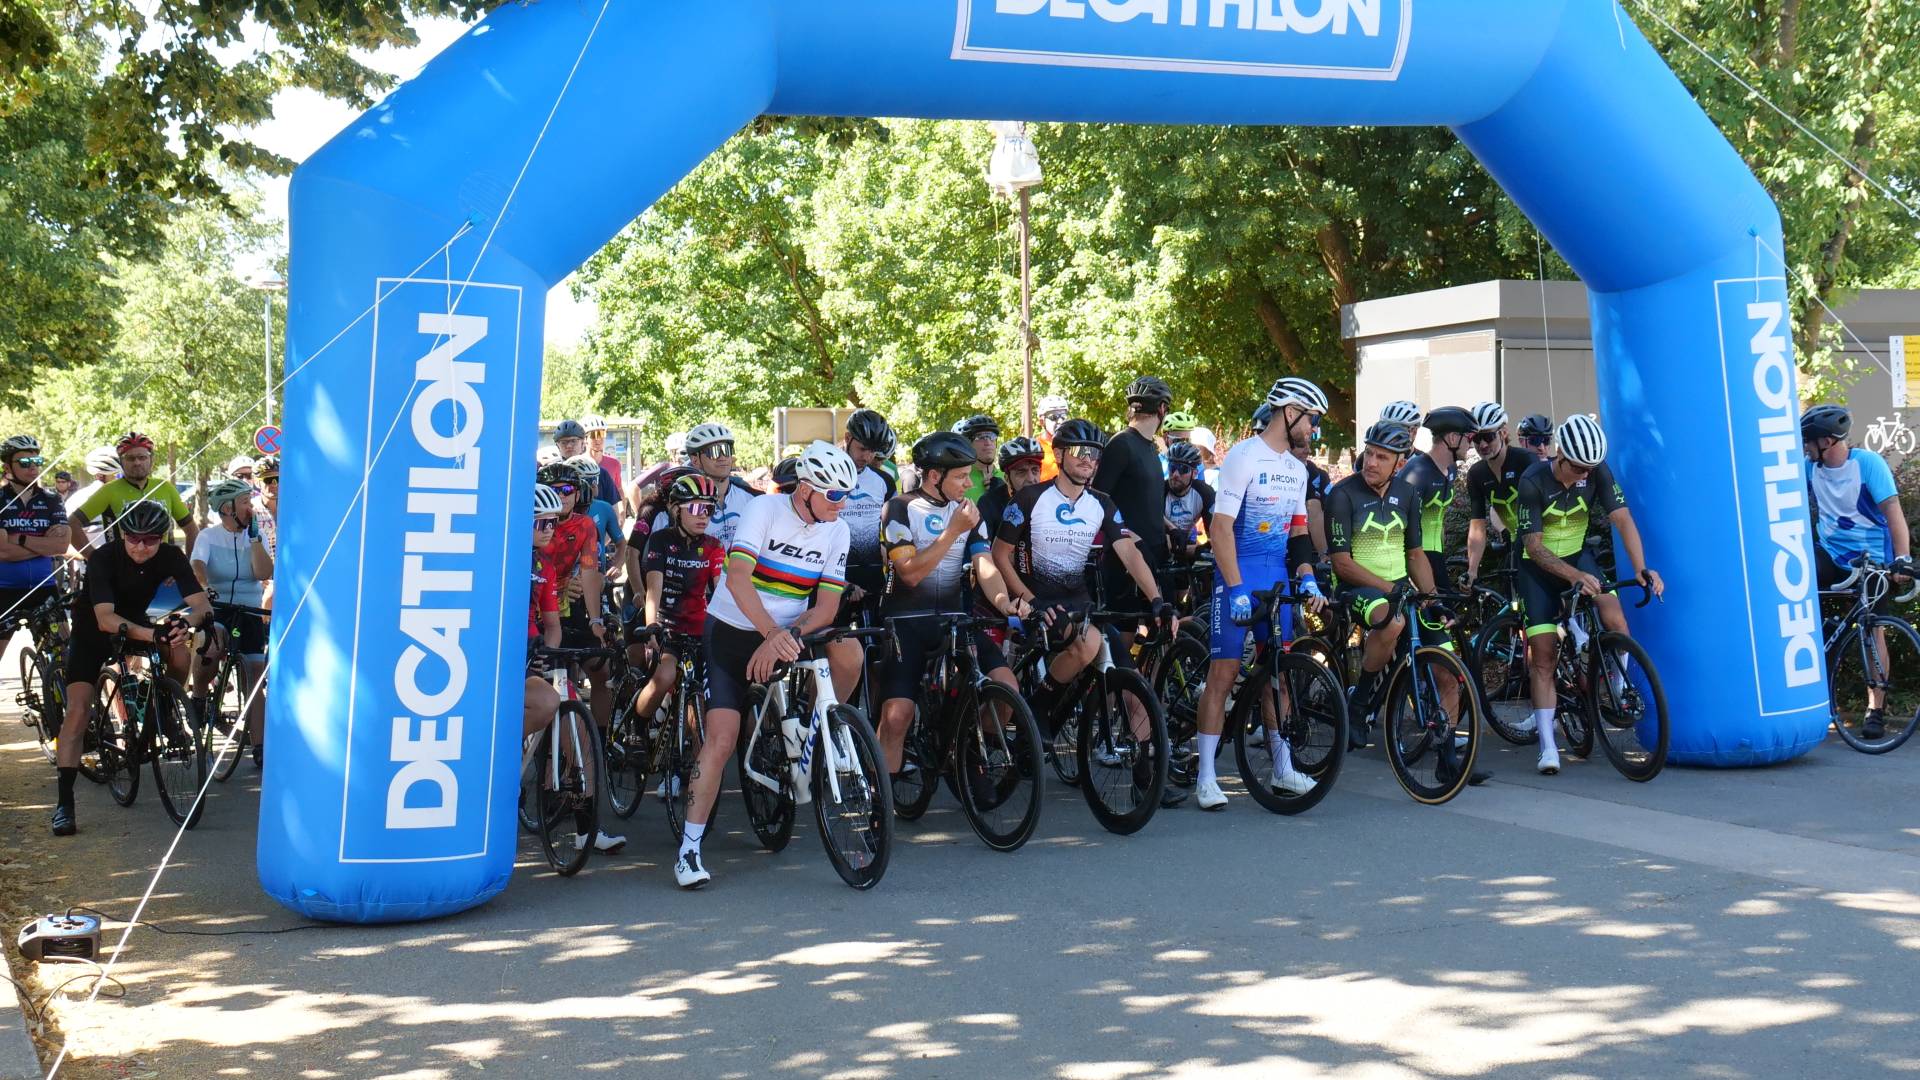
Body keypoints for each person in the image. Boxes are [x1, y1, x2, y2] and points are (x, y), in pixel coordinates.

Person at [678, 441, 856, 889]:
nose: (842, 504)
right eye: (835, 495)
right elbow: (738, 579)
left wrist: (785, 638)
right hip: (733, 629)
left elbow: (827, 607)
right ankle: (689, 850)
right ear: (806, 490)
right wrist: (770, 635)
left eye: (848, 495)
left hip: (787, 632)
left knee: (849, 652)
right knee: (722, 738)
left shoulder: (838, 529)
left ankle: (823, 732)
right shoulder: (765, 509)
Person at [991, 418, 1181, 808]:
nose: (1088, 460)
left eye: (1095, 455)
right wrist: (1030, 600)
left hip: (1081, 606)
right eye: (1080, 452)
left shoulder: (1102, 504)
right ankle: (1040, 710)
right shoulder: (1030, 499)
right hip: (1037, 606)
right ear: (1059, 454)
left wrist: (1157, 600)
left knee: (1131, 683)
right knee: (1085, 643)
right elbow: (999, 555)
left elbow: (1129, 553)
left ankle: (1146, 777)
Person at [1192, 378, 1327, 809]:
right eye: (1312, 419)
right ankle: (1206, 777)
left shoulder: (1298, 470)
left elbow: (1299, 534)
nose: (1314, 429)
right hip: (1239, 572)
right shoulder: (1244, 456)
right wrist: (1234, 587)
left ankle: (1283, 769)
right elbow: (1220, 529)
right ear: (1290, 412)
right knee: (1225, 672)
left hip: (1275, 576)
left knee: (1278, 674)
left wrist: (1307, 577)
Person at [52, 500, 213, 836]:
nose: (141, 546)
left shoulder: (171, 555)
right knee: (78, 711)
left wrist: (186, 623)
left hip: (136, 623)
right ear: (122, 535)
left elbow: (201, 605)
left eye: (151, 539)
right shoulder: (104, 557)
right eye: (134, 538)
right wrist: (153, 633)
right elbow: (105, 619)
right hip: (93, 629)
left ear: (162, 537)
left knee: (179, 652)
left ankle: (164, 706)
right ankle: (65, 803)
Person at [1514, 415, 1663, 775]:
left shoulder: (1596, 471)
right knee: (1544, 658)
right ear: (1562, 455)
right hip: (1537, 570)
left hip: (1577, 556)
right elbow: (1534, 547)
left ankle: (1616, 688)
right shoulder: (1533, 480)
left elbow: (1622, 518)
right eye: (1579, 467)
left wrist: (1642, 567)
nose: (1585, 473)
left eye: (1590, 468)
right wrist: (1576, 576)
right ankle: (1548, 746)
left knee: (1615, 616)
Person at [874, 432, 1024, 774]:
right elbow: (910, 574)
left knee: (1007, 689)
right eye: (961, 477)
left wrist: (1004, 602)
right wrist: (953, 531)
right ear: (934, 476)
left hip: (955, 618)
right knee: (897, 717)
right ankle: (881, 793)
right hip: (906, 622)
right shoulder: (899, 508)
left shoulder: (967, 512)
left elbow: (984, 563)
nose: (969, 484)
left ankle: (968, 753)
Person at [1802, 404, 1913, 739]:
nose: (1804, 447)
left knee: (1872, 628)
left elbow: (1893, 512)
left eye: (1808, 441)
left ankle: (1875, 709)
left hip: (1872, 559)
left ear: (1827, 441)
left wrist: (1902, 558)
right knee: (1798, 598)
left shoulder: (1867, 465)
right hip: (1830, 554)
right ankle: (1812, 694)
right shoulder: (1809, 468)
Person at [1327, 422, 1438, 749]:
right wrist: (1389, 588)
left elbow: (1415, 554)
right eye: (1369, 453)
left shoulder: (1408, 494)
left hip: (1397, 588)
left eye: (1382, 457)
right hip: (1354, 587)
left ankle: (1448, 756)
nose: (1371, 462)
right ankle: (1359, 704)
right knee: (1392, 621)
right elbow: (1341, 563)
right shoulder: (1342, 494)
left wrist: (1433, 599)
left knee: (1440, 649)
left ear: (1400, 464)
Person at [627, 473, 725, 751]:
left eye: (709, 509)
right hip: (667, 626)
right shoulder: (660, 540)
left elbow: (721, 592)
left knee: (703, 694)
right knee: (664, 677)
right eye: (695, 508)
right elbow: (653, 591)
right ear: (675, 510)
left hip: (700, 629)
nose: (703, 515)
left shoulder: (714, 546)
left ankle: (695, 759)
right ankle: (637, 728)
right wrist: (652, 627)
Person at [190, 478, 273, 763]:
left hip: (249, 609)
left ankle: (260, 747)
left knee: (255, 675)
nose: (251, 508)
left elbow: (263, 573)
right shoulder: (208, 536)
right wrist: (204, 586)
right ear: (227, 509)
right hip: (218, 606)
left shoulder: (256, 535)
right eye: (245, 503)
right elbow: (197, 565)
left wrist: (255, 540)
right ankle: (199, 694)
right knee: (211, 646)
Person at [1092, 376, 1173, 614]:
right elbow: (1098, 501)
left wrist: (1170, 528)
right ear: (1162, 408)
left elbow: (1145, 501)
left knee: (1164, 625)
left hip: (1155, 551)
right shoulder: (1121, 444)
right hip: (1126, 557)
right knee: (1126, 628)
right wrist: (1132, 538)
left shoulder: (1150, 447)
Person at [836, 409, 899, 697]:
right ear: (847, 438)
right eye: (862, 448)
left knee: (879, 659)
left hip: (873, 576)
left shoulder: (883, 481)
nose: (867, 456)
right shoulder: (828, 475)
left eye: (873, 451)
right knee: (835, 660)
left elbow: (893, 531)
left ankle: (873, 721)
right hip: (835, 578)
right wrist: (840, 582)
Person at [70, 432, 197, 551]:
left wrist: (189, 562)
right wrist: (93, 558)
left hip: (161, 564)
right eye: (130, 458)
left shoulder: (165, 488)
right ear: (121, 462)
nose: (137, 462)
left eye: (142, 457)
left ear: (151, 460)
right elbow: (72, 523)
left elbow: (191, 529)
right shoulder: (109, 490)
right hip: (122, 564)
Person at [1398, 405, 1475, 592]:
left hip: (1436, 553)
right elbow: (1402, 527)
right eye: (1469, 438)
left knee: (1448, 605)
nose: (1472, 445)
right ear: (1453, 438)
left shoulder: (1451, 469)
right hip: (1416, 556)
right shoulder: (1417, 473)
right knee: (1439, 608)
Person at [1464, 402, 1540, 585]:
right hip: (1516, 547)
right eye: (1476, 438)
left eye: (1488, 436)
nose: (1482, 444)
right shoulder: (1476, 474)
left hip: (1545, 543)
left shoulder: (1526, 460)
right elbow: (1477, 527)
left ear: (1503, 433)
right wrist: (1472, 570)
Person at [0, 436, 72, 624]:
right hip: (4, 589)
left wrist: (20, 538)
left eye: (37, 461)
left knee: (64, 643)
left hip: (45, 587)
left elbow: (61, 546)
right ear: (7, 467)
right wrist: (45, 546)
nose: (33, 467)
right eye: (25, 462)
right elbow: (3, 551)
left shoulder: (52, 499)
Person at [565, 454, 624, 584]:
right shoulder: (560, 512)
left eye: (596, 480)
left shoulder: (604, 508)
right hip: (569, 583)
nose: (596, 488)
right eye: (590, 483)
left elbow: (621, 543)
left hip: (597, 579)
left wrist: (617, 565)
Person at [1163, 441, 1214, 562]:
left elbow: (1214, 536)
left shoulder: (1205, 492)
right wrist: (1172, 528)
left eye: (1183, 469)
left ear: (1194, 473)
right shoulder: (1160, 490)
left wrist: (1203, 549)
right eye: (1172, 467)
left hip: (1187, 542)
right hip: (1163, 544)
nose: (1175, 474)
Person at [66, 447, 120, 554]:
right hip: (89, 562)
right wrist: (93, 558)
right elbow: (63, 545)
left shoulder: (126, 496)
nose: (121, 479)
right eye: (117, 475)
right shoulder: (78, 500)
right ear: (100, 476)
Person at [581, 415, 627, 520]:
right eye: (593, 435)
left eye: (602, 434)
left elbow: (619, 489)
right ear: (585, 438)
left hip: (607, 517)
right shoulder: (579, 463)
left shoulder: (614, 463)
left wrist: (622, 512)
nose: (598, 439)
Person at [955, 415, 1001, 501]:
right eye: (981, 437)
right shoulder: (958, 480)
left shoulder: (1007, 477)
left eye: (992, 436)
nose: (988, 442)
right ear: (969, 444)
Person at [1036, 394, 1070, 482]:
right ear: (1042, 421)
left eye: (1063, 417)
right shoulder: (1035, 447)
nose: (1060, 421)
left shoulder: (1073, 445)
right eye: (1053, 417)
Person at [253, 455, 280, 560]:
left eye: (277, 479)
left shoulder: (291, 508)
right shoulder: (251, 509)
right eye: (268, 480)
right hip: (262, 566)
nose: (274, 484)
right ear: (257, 482)